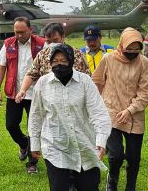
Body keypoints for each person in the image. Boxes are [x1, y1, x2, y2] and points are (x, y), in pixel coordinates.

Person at [29, 43, 111, 191]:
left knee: (89, 186)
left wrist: (101, 140)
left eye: (63, 61)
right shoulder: (43, 83)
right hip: (55, 145)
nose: (59, 65)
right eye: (54, 61)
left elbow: (99, 112)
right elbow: (36, 115)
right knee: (59, 187)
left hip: (84, 143)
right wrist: (34, 142)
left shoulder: (85, 82)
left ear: (72, 61)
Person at [92, 27, 148, 191]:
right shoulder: (108, 59)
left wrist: (130, 110)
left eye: (136, 50)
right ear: (121, 45)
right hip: (111, 114)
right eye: (129, 49)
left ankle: (131, 186)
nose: (132, 52)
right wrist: (100, 104)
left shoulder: (144, 62)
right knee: (116, 155)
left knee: (133, 158)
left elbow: (145, 93)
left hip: (134, 116)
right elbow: (97, 80)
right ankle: (112, 181)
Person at [0, 16, 45, 174]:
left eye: (22, 32)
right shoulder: (8, 44)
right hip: (14, 93)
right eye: (16, 32)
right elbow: (2, 67)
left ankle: (32, 162)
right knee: (11, 125)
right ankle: (24, 144)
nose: (19, 35)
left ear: (30, 29)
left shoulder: (41, 44)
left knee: (34, 129)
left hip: (35, 93)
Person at [15, 22, 90, 103]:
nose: (52, 44)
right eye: (48, 42)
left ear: (63, 37)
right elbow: (31, 74)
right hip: (50, 99)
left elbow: (87, 76)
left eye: (55, 40)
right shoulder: (42, 55)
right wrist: (22, 90)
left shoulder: (76, 54)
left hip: (74, 98)